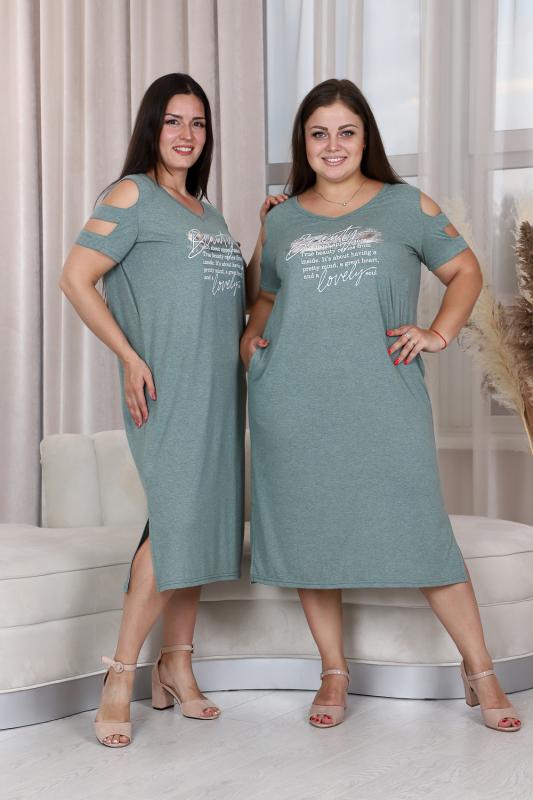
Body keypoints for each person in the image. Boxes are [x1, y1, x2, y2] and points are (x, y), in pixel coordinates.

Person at [241, 78, 522, 733]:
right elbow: (267, 296)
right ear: (303, 143)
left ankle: (480, 670)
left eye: (346, 131)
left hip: (384, 399)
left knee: (422, 533)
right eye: (319, 133)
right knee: (311, 533)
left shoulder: (405, 205)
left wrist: (438, 333)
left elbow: (465, 270)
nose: (332, 145)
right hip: (294, 403)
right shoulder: (282, 218)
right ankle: (333, 672)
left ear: (365, 137)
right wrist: (251, 344)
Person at [60, 73, 281, 747]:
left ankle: (176, 667)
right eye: (173, 121)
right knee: (179, 523)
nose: (187, 134)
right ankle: (120, 674)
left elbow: (235, 296)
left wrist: (263, 237)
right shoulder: (131, 195)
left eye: (198, 123)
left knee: (200, 527)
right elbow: (76, 277)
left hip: (221, 390)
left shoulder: (206, 211)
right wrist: (129, 357)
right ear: (152, 127)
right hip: (166, 388)